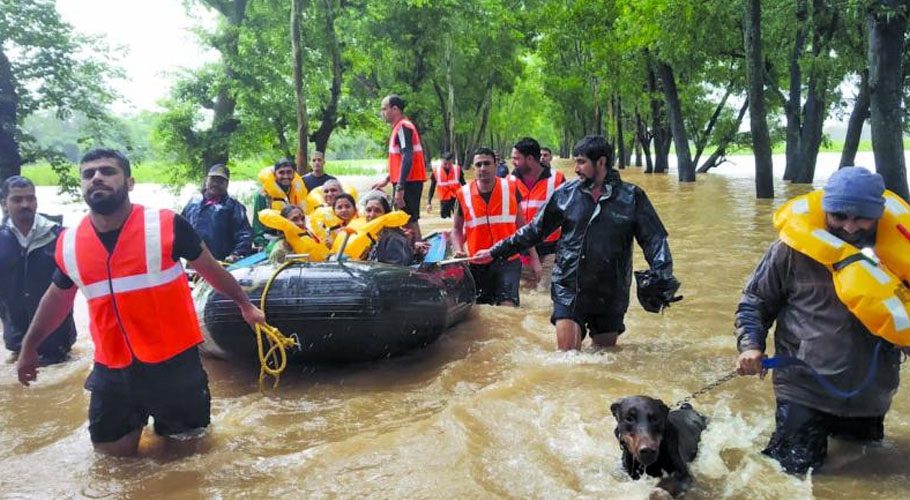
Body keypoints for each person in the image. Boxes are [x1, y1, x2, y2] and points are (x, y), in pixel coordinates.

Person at [16, 149, 266, 457]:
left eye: (107, 171)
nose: (97, 177)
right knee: (112, 463)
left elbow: (211, 269)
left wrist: (245, 305)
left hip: (175, 366)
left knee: (188, 462)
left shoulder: (166, 224)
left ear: (130, 182)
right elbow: (56, 299)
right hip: (112, 368)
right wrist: (29, 347)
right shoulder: (69, 242)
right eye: (88, 173)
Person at [735, 166, 906, 475]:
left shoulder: (900, 258)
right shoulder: (791, 250)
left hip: (871, 395)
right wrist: (751, 346)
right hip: (804, 389)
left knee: (864, 471)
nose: (850, 228)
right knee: (792, 475)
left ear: (879, 215)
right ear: (825, 210)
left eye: (861, 218)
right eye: (839, 216)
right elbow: (755, 302)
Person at [474, 135, 679, 350]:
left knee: (603, 359)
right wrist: (495, 252)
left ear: (601, 162)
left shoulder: (632, 197)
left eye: (581, 162)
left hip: (610, 292)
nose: (576, 168)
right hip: (569, 287)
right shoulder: (565, 195)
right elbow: (534, 231)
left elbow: (654, 240)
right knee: (568, 360)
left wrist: (662, 275)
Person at [0, 176, 76, 365]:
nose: (25, 204)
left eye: (30, 198)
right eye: (17, 199)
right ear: (4, 203)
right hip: (16, 339)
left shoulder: (60, 236)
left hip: (57, 343)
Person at [452, 147, 533, 307]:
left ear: (496, 165)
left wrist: (535, 261)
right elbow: (456, 229)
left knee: (507, 307)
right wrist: (458, 250)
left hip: (509, 259)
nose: (483, 168)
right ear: (473, 168)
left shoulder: (511, 188)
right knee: (482, 308)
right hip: (478, 261)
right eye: (478, 164)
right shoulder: (462, 194)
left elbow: (523, 227)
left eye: (487, 163)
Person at [510, 137, 566, 290]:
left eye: (516, 158)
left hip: (550, 252)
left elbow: (568, 217)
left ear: (529, 159)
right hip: (521, 253)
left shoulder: (558, 179)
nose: (512, 162)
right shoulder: (509, 181)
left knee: (543, 298)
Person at [372, 94, 426, 238]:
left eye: (384, 109)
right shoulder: (399, 128)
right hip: (406, 180)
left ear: (395, 109)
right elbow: (400, 160)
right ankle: (413, 249)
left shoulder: (403, 127)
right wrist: (388, 179)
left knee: (408, 219)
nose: (382, 113)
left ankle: (417, 251)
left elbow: (407, 157)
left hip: (409, 181)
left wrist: (400, 188)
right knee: (406, 218)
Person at [180, 164, 252, 263]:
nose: (216, 184)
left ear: (227, 184)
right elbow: (180, 229)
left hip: (220, 263)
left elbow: (245, 234)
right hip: (193, 262)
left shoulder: (233, 206)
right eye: (213, 179)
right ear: (206, 180)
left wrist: (236, 254)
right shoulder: (193, 202)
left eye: (221, 181)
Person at [252, 158, 308, 248]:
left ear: (294, 174)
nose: (286, 176)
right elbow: (258, 230)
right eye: (281, 173)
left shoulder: (297, 192)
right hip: (273, 241)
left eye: (289, 172)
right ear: (275, 175)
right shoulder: (263, 196)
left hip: (296, 238)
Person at [362, 191, 413, 266]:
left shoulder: (393, 239)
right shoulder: (373, 235)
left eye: (377, 211)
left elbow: (397, 270)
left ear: (386, 215)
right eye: (368, 210)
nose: (372, 215)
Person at [426, 152, 466, 219]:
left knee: (459, 219)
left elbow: (464, 185)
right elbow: (432, 188)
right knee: (444, 220)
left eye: (449, 164)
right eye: (445, 164)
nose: (447, 166)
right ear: (441, 161)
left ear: (452, 161)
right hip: (444, 200)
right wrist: (429, 203)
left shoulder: (458, 170)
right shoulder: (436, 172)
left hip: (456, 199)